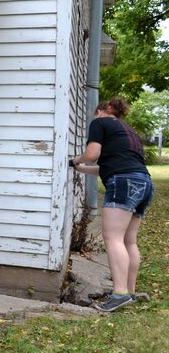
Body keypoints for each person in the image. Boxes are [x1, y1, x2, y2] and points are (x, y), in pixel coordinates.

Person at [71, 97, 155, 312]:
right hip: (143, 183)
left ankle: (119, 294)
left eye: (96, 113)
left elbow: (92, 155)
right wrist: (81, 170)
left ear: (105, 109)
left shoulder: (101, 122)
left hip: (124, 182)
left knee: (113, 238)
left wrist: (76, 160)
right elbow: (108, 166)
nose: (95, 117)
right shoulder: (129, 132)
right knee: (129, 241)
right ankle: (129, 292)